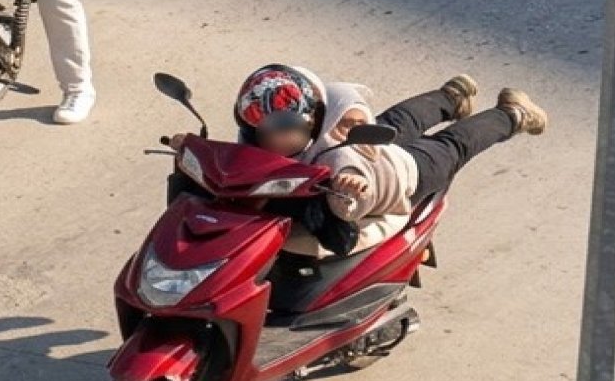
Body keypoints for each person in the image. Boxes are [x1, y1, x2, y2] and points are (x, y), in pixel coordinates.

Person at [174, 65, 548, 256]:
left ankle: (512, 113)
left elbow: (343, 224)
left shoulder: (338, 165)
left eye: (284, 130)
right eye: (262, 129)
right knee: (392, 123)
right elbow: (232, 163)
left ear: (313, 122)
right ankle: (452, 97)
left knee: (451, 146)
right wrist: (190, 150)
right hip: (357, 149)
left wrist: (343, 197)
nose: (273, 140)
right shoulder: (319, 129)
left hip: (402, 174)